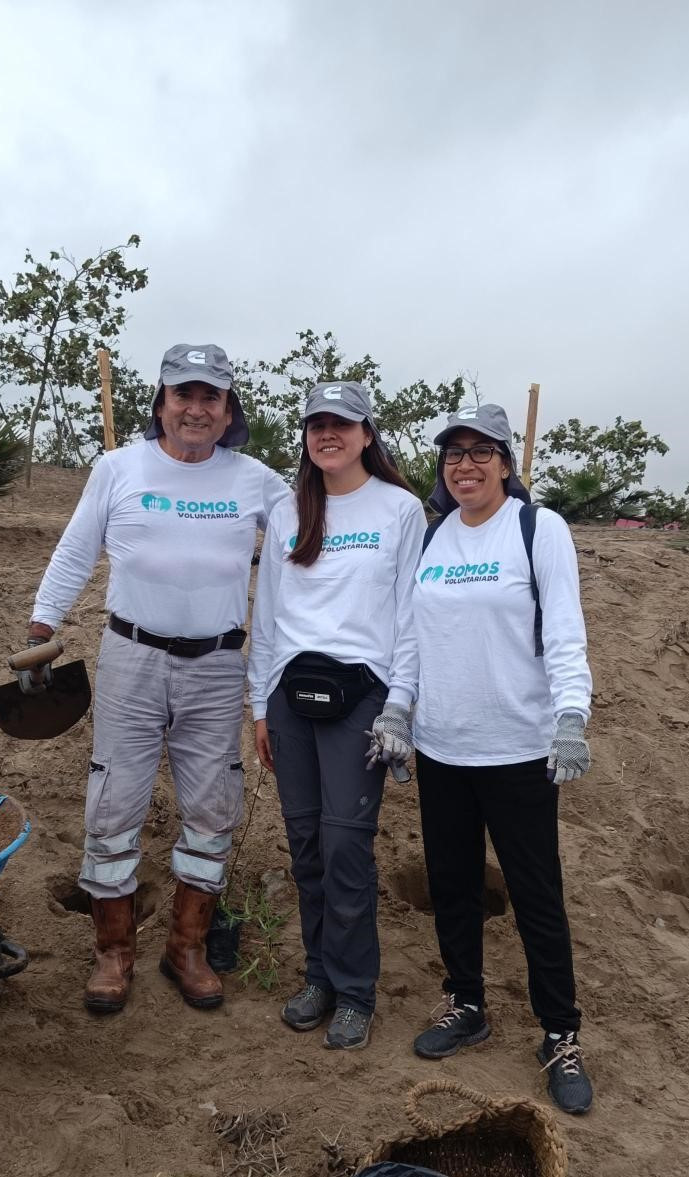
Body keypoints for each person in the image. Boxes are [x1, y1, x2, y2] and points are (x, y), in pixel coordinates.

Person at [26, 344, 290, 1015]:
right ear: (161, 403)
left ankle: (186, 946)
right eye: (184, 395)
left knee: (212, 804)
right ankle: (113, 953)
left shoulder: (256, 480)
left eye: (211, 397)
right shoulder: (118, 468)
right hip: (131, 659)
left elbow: (314, 538)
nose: (196, 409)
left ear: (229, 409)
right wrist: (40, 628)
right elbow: (77, 548)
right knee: (115, 799)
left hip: (217, 665)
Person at [406, 403, 595, 1115]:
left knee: (536, 895)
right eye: (453, 452)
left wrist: (571, 715)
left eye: (481, 450)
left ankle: (560, 1033)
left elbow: (567, 631)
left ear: (506, 462)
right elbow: (411, 640)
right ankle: (467, 1003)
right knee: (452, 885)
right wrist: (400, 710)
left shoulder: (537, 528)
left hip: (519, 749)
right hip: (443, 747)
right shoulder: (432, 539)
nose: (466, 464)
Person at [249, 382, 425, 1051]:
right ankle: (318, 974)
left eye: (341, 424)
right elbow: (266, 616)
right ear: (305, 435)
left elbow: (409, 619)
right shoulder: (291, 510)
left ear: (366, 433)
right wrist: (258, 704)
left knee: (347, 844)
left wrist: (399, 707)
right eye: (316, 424)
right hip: (291, 701)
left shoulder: (400, 510)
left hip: (364, 701)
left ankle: (355, 990)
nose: (328, 434)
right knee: (305, 846)